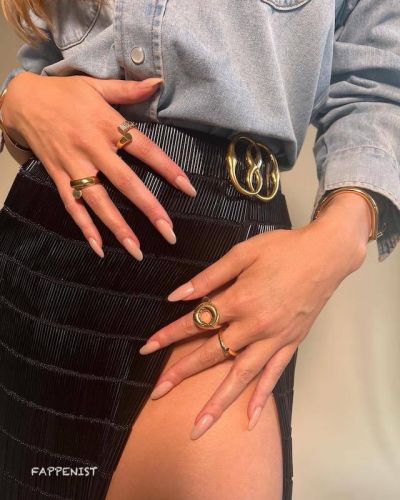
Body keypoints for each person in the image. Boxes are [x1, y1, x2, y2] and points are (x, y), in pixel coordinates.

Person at [0, 1, 398, 499]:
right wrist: (16, 98)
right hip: (46, 242)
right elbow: (51, 49)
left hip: (223, 260)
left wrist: (339, 239)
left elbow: (381, 81)